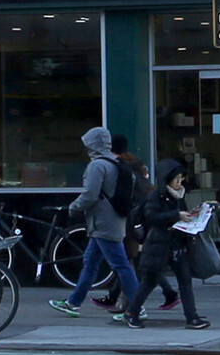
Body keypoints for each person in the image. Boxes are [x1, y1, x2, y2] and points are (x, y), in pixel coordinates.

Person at [48, 127, 140, 317]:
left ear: (92, 145)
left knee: (121, 265)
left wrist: (74, 208)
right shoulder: (117, 163)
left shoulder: (97, 166)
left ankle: (137, 307)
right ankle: (73, 303)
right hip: (113, 220)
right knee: (91, 263)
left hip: (102, 223)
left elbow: (89, 195)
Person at [118, 158, 209, 330]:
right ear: (167, 179)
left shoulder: (179, 195)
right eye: (176, 179)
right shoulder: (156, 196)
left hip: (176, 244)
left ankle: (192, 317)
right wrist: (177, 216)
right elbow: (151, 218)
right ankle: (131, 312)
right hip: (158, 245)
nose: (179, 182)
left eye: (181, 178)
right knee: (149, 281)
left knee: (184, 280)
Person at [91, 135, 178, 314]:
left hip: (134, 218)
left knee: (131, 262)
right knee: (133, 261)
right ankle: (119, 299)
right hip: (140, 216)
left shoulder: (120, 166)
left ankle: (129, 302)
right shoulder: (134, 164)